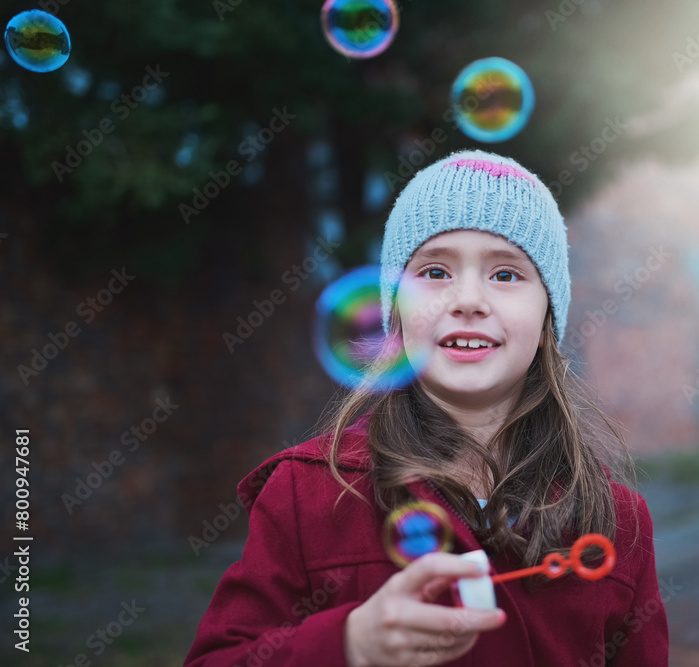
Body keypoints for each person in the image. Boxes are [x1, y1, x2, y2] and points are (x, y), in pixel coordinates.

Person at [184, 149, 669, 666]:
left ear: (549, 316)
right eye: (435, 271)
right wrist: (348, 644)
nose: (467, 299)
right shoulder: (306, 494)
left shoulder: (616, 520)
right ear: (394, 311)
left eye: (506, 275)